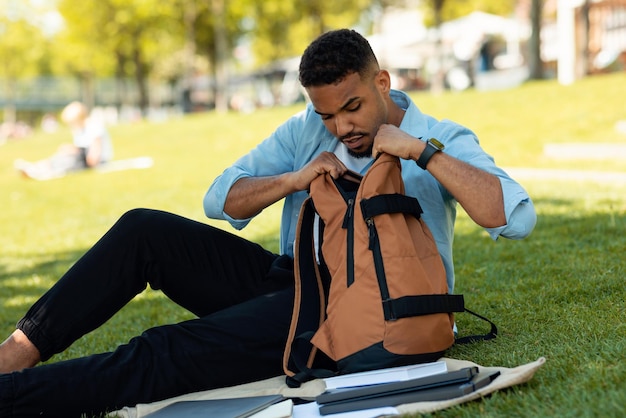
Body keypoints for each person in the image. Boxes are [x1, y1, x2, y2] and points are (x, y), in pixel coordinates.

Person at [0, 29, 536, 417]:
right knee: (143, 229)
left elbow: (514, 218)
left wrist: (422, 152)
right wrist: (295, 178)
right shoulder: (309, 129)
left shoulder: (440, 135)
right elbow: (222, 199)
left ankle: (11, 399)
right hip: (294, 282)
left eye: (352, 107)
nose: (341, 126)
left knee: (166, 349)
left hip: (362, 312)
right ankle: (15, 355)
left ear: (382, 82)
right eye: (327, 114)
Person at [14, 101, 113, 180]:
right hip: (83, 157)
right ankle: (37, 167)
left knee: (68, 158)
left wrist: (75, 154)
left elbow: (94, 155)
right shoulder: (80, 129)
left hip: (97, 161)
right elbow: (81, 147)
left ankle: (40, 169)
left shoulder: (93, 127)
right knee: (65, 154)